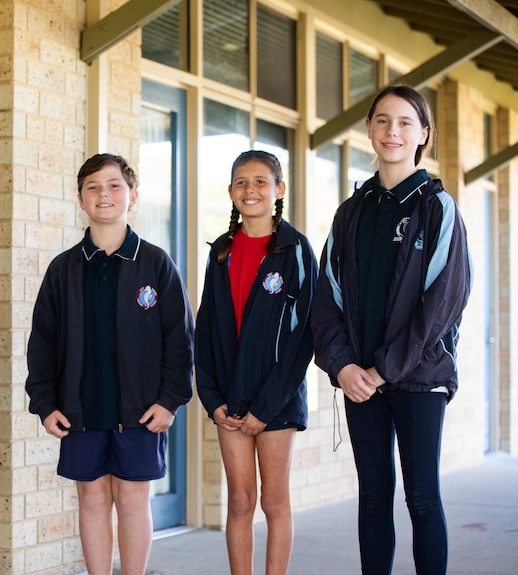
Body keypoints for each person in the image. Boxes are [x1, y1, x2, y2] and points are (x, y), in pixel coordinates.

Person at [310, 84, 472, 575]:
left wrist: (382, 370)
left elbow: (442, 304)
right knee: (374, 498)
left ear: (424, 133)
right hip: (360, 382)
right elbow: (325, 300)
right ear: (369, 131)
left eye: (405, 122)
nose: (392, 131)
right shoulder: (352, 212)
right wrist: (342, 368)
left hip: (419, 378)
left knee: (421, 497)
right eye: (382, 120)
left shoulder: (438, 209)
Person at [25, 153, 195, 575]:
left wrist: (170, 400)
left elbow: (181, 339)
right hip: (80, 409)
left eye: (115, 185)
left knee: (134, 500)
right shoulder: (63, 269)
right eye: (94, 187)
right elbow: (42, 343)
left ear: (132, 196)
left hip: (141, 410)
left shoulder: (156, 264)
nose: (105, 194)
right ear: (80, 198)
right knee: (93, 500)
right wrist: (46, 404)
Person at [195, 150, 317, 575]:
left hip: (276, 402)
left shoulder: (295, 249)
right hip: (229, 401)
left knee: (274, 500)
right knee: (241, 500)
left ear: (279, 189)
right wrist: (212, 401)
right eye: (242, 183)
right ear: (230, 192)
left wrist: (265, 408)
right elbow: (206, 332)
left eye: (261, 181)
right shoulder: (221, 253)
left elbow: (304, 337)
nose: (251, 190)